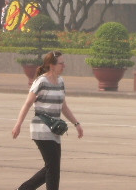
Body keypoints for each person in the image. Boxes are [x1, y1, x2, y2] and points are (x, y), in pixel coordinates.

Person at [12, 51, 83, 190]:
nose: (64, 65)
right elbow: (27, 104)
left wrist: (76, 123)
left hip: (54, 130)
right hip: (41, 129)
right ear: (52, 65)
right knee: (53, 168)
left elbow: (63, 106)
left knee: (52, 167)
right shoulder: (41, 81)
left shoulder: (61, 81)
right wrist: (18, 124)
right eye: (61, 63)